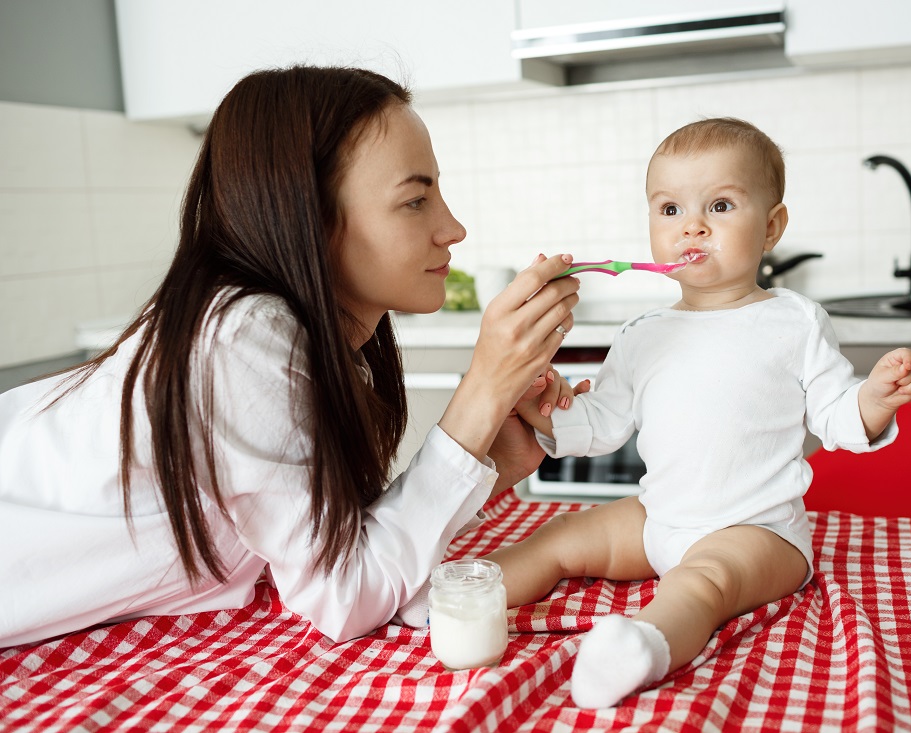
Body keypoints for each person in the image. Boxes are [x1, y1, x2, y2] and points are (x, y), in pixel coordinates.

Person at [0, 66, 584, 648]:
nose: (452, 228)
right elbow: (345, 594)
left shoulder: (303, 338)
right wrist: (482, 390)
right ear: (312, 216)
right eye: (414, 201)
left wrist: (493, 458)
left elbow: (340, 547)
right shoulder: (242, 342)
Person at [482, 118, 911, 708]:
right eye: (669, 209)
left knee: (702, 581)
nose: (691, 225)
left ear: (771, 227)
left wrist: (872, 399)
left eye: (719, 205)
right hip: (659, 518)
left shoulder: (795, 321)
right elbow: (598, 425)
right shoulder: (642, 333)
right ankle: (456, 595)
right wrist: (543, 406)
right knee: (565, 533)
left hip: (758, 531)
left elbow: (834, 414)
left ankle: (641, 647)